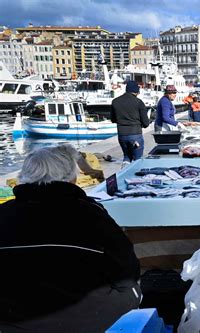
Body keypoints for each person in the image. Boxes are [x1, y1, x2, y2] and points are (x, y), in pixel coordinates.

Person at [0, 144, 141, 333]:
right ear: (72, 178)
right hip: (86, 319)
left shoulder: (3, 213)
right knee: (132, 290)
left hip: (13, 320)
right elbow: (127, 270)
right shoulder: (91, 213)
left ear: (23, 177)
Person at [111, 80, 150, 168]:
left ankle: (123, 173)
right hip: (135, 135)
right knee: (137, 160)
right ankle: (135, 178)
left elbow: (113, 119)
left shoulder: (115, 101)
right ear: (136, 91)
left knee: (126, 156)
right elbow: (146, 123)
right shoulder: (139, 102)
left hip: (122, 135)